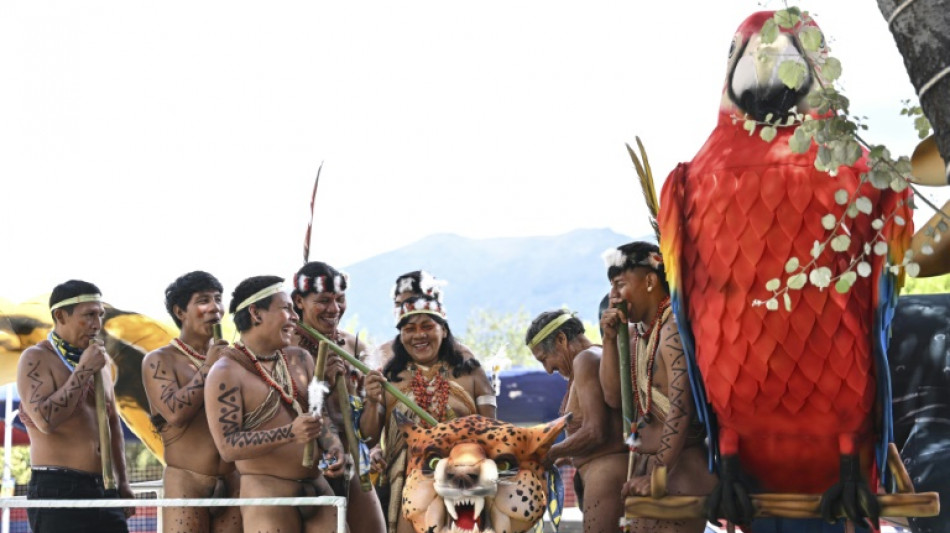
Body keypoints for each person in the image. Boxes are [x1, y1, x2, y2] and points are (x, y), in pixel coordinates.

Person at [204, 276, 345, 532]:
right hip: (268, 498)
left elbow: (319, 416)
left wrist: (333, 446)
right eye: (286, 308)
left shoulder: (300, 359)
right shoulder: (225, 372)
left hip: (319, 491)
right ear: (256, 313)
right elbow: (228, 447)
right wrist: (289, 433)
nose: (294, 316)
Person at [599, 242, 715, 533]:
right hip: (648, 471)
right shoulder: (638, 334)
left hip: (678, 472)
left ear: (650, 281)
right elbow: (615, 399)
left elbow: (681, 407)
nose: (614, 296)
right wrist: (610, 340)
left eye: (620, 284)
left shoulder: (673, 330)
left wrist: (659, 474)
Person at [361, 294, 496, 533]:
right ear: (400, 337)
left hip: (463, 489)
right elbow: (369, 438)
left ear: (443, 330)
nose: (418, 335)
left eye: (427, 326)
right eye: (409, 329)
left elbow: (493, 435)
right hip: (405, 487)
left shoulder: (472, 374)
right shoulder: (389, 378)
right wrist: (372, 400)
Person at [16, 280, 133, 533]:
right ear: (60, 316)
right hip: (57, 487)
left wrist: (122, 482)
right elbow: (46, 421)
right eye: (89, 315)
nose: (97, 324)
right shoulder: (36, 358)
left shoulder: (100, 362)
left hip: (105, 487)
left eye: (100, 315)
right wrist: (82, 371)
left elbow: (113, 423)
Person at [141, 271, 241, 533]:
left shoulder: (234, 358)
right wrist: (209, 366)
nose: (215, 308)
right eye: (203, 300)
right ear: (180, 311)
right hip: (186, 481)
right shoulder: (159, 360)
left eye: (218, 299)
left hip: (233, 480)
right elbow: (175, 413)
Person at [291, 261, 385, 532]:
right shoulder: (285, 348)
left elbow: (368, 435)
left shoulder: (356, 349)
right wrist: (321, 383)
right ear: (299, 301)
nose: (334, 309)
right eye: (323, 301)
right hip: (303, 473)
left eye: (340, 299)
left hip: (352, 463)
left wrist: (371, 399)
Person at [526, 309, 627, 533]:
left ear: (561, 339)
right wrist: (566, 456)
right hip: (605, 477)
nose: (548, 369)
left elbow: (596, 432)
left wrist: (550, 452)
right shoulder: (593, 359)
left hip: (607, 478)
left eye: (545, 359)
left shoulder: (585, 359)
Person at [374, 270, 475, 364]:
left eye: (409, 304)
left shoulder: (462, 356)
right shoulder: (383, 355)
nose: (401, 311)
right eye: (398, 304)